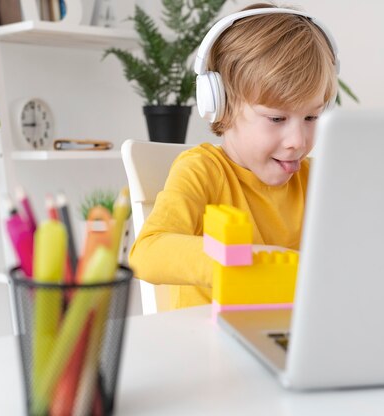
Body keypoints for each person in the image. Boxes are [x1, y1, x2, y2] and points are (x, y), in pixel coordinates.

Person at [129, 3, 339, 310]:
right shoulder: (203, 170)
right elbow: (147, 252)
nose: (298, 141)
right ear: (221, 104)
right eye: (277, 119)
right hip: (209, 348)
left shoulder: (317, 180)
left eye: (311, 118)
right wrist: (244, 261)